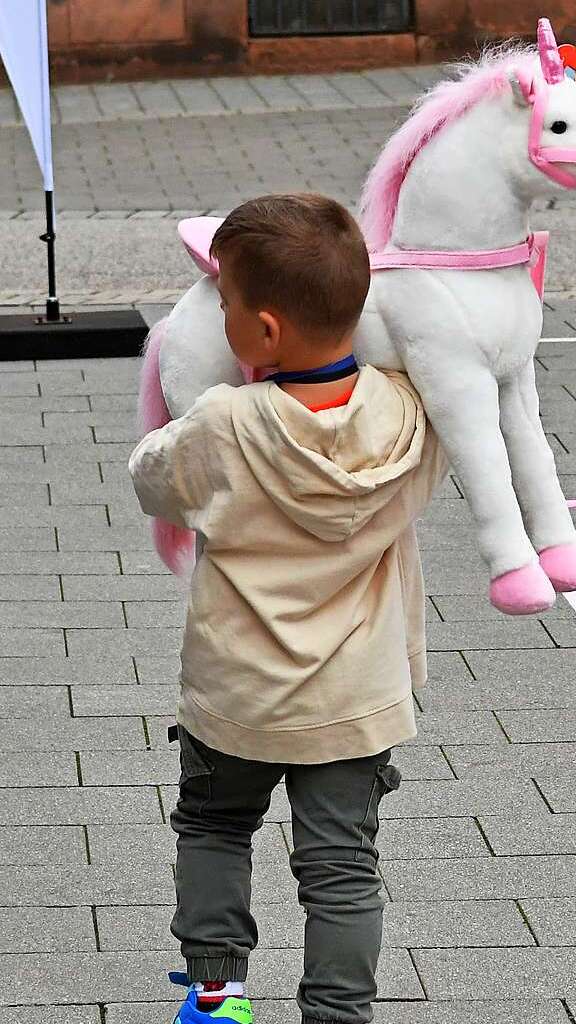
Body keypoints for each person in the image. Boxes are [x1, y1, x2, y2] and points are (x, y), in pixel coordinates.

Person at [128, 193, 447, 1024]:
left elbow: (152, 481)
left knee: (213, 826)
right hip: (355, 698)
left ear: (262, 331)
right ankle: (338, 1014)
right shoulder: (408, 416)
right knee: (342, 865)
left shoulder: (224, 423)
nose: (216, 313)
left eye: (222, 301)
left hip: (237, 694)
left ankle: (216, 996)